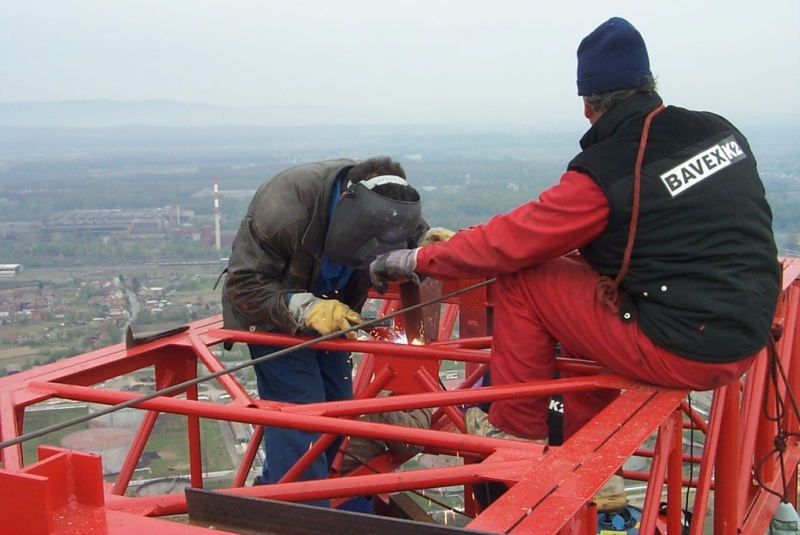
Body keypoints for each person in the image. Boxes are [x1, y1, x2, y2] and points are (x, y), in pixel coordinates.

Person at [370, 17, 780, 452]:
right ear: (649, 84)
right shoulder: (719, 131)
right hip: (746, 332)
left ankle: (513, 432)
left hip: (687, 348)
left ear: (589, 104)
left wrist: (416, 260)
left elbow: (514, 242)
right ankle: (590, 447)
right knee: (587, 283)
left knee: (525, 279)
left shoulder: (608, 172)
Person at [222, 157, 439, 506]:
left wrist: (423, 241)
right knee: (303, 422)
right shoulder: (285, 208)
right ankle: (298, 511)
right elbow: (243, 284)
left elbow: (401, 228)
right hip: (275, 319)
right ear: (344, 206)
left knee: (338, 413)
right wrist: (306, 308)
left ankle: (287, 491)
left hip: (335, 316)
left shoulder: (378, 202)